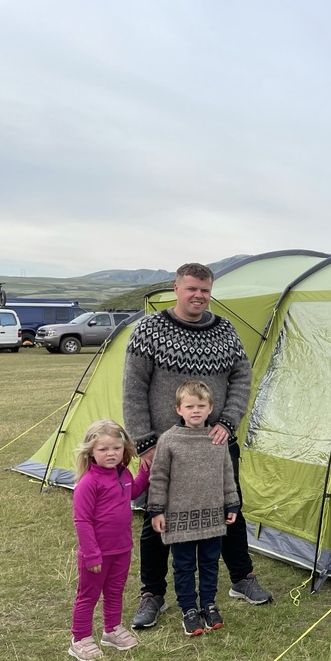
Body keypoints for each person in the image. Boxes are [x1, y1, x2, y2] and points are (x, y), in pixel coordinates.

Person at [123, 262, 272, 630]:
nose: (198, 296)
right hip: (165, 445)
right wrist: (144, 443)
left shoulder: (224, 331)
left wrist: (228, 420)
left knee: (230, 507)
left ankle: (241, 578)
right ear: (176, 288)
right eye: (191, 288)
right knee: (157, 517)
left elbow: (241, 376)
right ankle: (152, 594)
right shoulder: (150, 330)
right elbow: (133, 389)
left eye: (205, 290)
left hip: (217, 441)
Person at [148, 381, 240, 635]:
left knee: (210, 563)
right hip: (180, 519)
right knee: (184, 565)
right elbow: (158, 478)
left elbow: (226, 474)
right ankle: (189, 608)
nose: (196, 411)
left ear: (210, 408)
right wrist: (156, 510)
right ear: (179, 409)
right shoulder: (169, 440)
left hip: (212, 516)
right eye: (190, 406)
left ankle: (208, 604)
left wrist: (231, 503)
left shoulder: (218, 439)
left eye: (201, 406)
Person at [69, 420, 150, 661]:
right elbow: (82, 521)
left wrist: (145, 471)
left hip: (122, 548)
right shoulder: (88, 483)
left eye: (115, 448)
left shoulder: (123, 473)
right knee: (88, 595)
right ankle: (79, 639)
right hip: (96, 554)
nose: (110, 453)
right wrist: (92, 554)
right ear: (91, 452)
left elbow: (133, 492)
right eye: (103, 449)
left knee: (115, 591)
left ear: (124, 449)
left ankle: (111, 630)